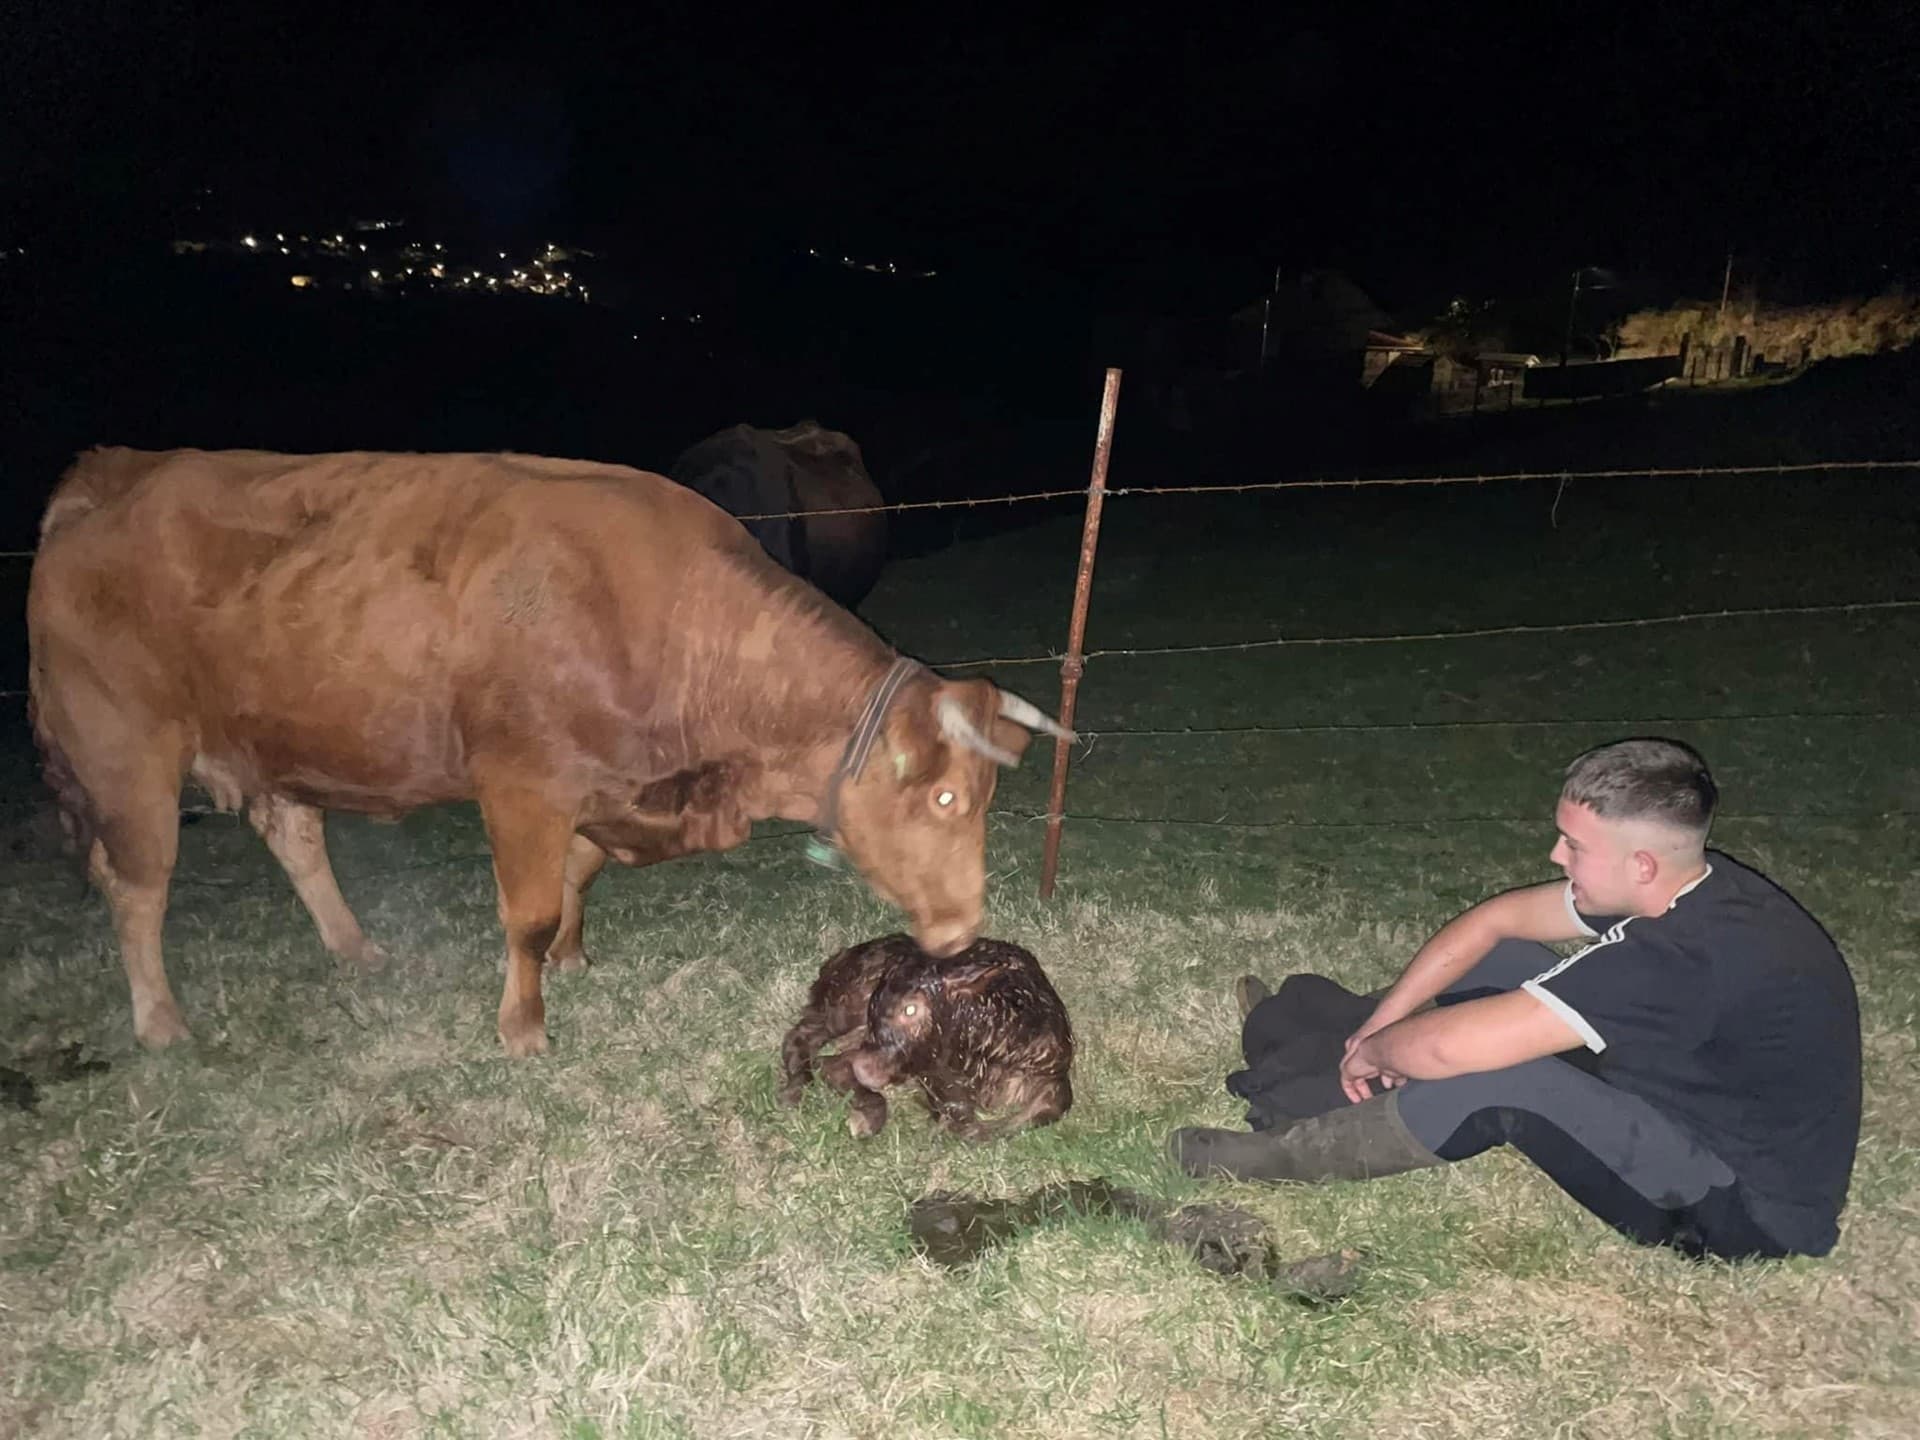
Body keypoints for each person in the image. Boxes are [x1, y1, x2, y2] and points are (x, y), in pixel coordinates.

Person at [1170, 738, 1862, 1260]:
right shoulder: (1695, 887)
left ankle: (1282, 1153)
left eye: (1573, 845)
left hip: (1735, 1205)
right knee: (1506, 967)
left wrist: (1379, 1052)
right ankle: (1310, 1045)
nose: (1557, 857)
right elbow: (1498, 924)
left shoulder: (1680, 957)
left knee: (1500, 1078)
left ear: (1641, 863)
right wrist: (1380, 1025)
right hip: (1679, 1089)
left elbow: (1451, 1048)